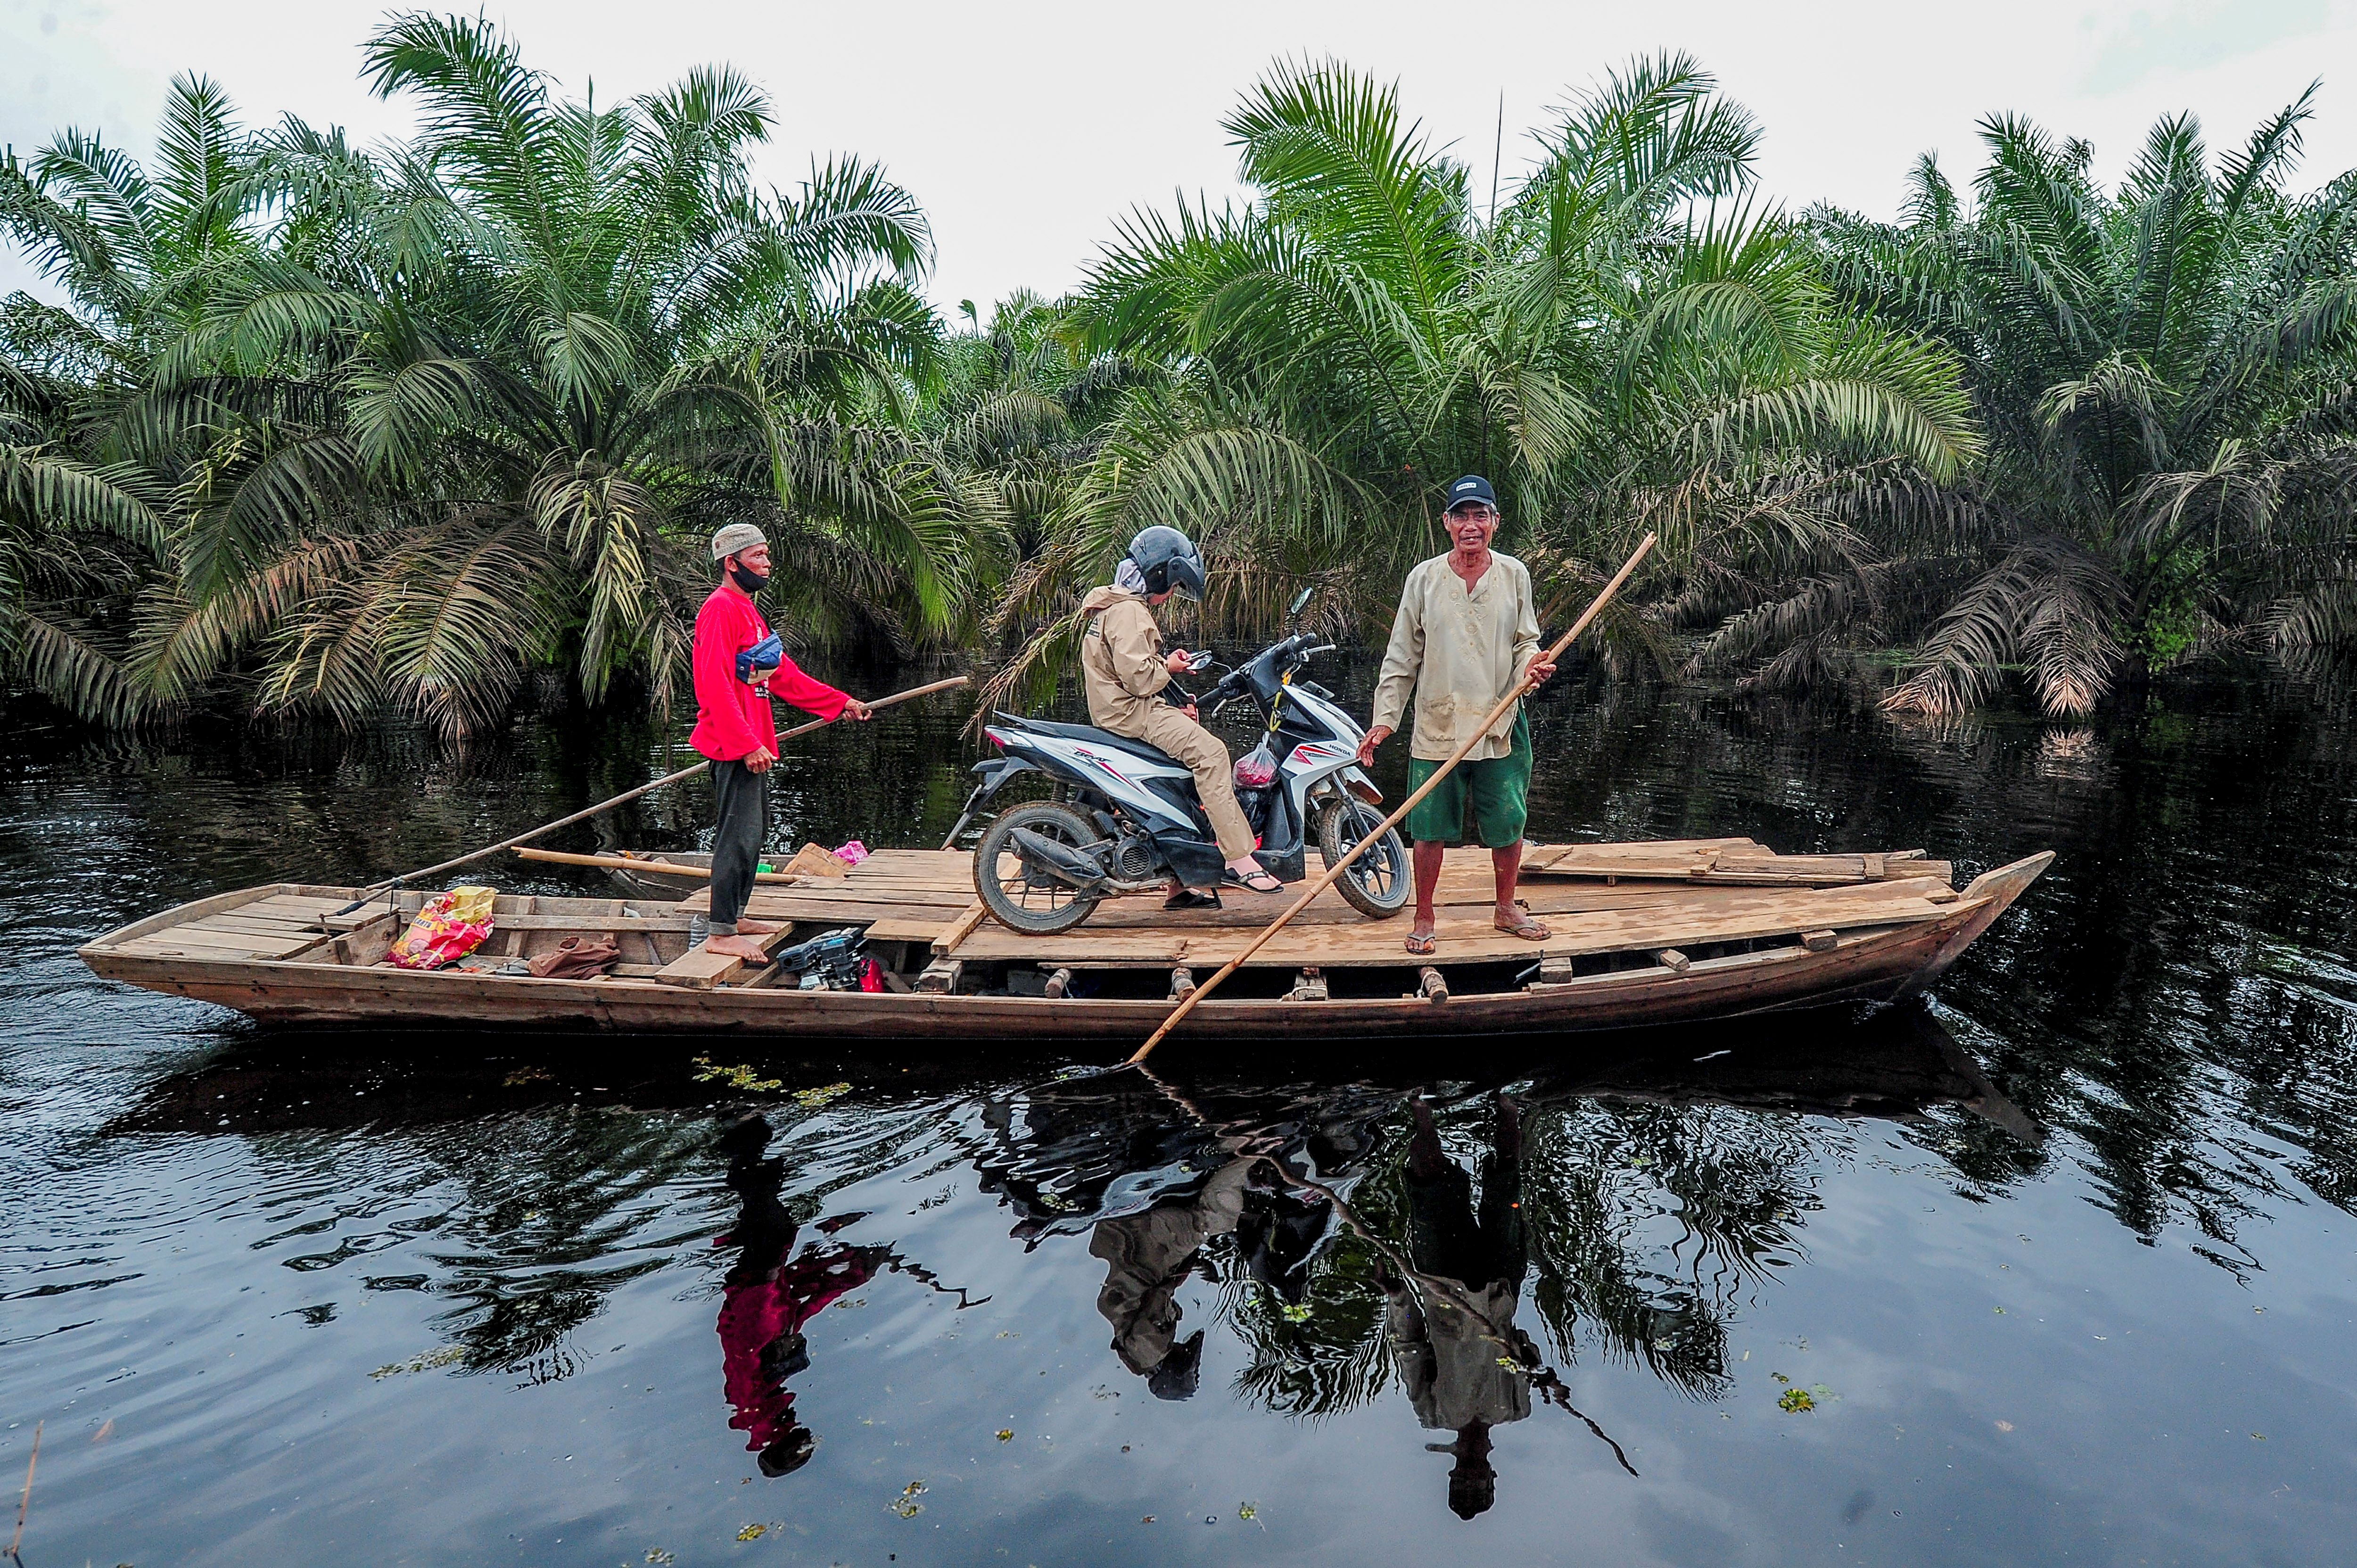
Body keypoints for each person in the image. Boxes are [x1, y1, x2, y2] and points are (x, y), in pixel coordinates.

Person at [1357, 476, 1556, 956]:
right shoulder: (1423, 578)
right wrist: (1384, 720)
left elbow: (1524, 640)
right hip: (1438, 722)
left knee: (1508, 821)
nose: (1471, 526)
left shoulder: (1513, 574)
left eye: (1480, 515)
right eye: (1461, 516)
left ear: (1495, 523)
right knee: (1428, 827)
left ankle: (1505, 907)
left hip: (1500, 718)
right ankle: (1424, 916)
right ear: (1445, 523)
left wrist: (1530, 666)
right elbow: (1401, 655)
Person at [691, 523, 872, 964]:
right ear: (731, 563)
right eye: (757, 556)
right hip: (733, 745)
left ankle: (735, 916)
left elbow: (783, 675)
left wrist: (839, 702)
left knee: (755, 832)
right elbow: (712, 684)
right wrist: (745, 744)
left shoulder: (749, 611)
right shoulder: (720, 610)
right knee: (737, 836)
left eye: (767, 554)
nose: (767, 563)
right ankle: (720, 932)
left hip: (755, 742)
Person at [1079, 526, 1281, 903]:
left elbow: (1128, 667)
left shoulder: (1113, 605)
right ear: (1158, 575)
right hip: (1131, 712)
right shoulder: (1129, 613)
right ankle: (1239, 857)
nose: (1172, 594)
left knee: (1185, 769)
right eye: (1173, 586)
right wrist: (1168, 668)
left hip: (1120, 708)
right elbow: (1139, 679)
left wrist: (1174, 684)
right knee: (1212, 754)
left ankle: (1179, 882)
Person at [1381, 1094, 1536, 1521]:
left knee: (1429, 1191)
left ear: (1452, 1475)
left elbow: (1410, 1348)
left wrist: (1398, 1297)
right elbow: (1523, 1348)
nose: (1470, 1474)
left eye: (1462, 1481)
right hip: (1500, 1285)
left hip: (1442, 1288)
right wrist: (1535, 1368)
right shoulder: (1516, 1409)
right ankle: (1507, 1106)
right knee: (1507, 1185)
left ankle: (1421, 1109)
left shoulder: (1434, 1415)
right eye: (1478, 1481)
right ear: (1491, 1475)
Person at [712, 1115, 884, 1477]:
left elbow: (747, 1344)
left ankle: (740, 1138)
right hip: (767, 1292)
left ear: (783, 1447)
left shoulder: (753, 1407)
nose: (807, 1440)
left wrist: (764, 1285)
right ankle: (747, 1142)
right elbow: (794, 1322)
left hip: (756, 1290)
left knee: (770, 1220)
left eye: (800, 1450)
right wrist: (852, 1279)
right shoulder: (772, 1407)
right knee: (770, 1216)